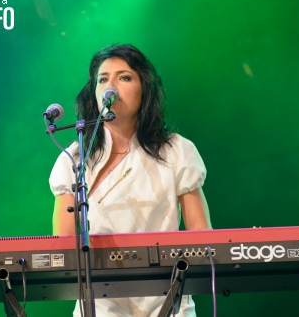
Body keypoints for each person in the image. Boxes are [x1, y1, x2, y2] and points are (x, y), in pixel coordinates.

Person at [49, 44, 212, 317]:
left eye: (124, 77)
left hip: (168, 295)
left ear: (144, 88)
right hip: (98, 300)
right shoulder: (74, 157)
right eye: (102, 79)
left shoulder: (177, 150)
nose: (110, 86)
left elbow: (201, 235)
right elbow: (64, 243)